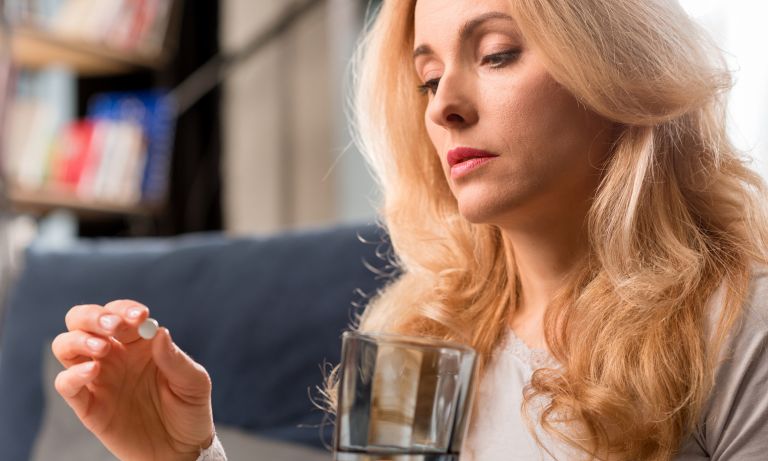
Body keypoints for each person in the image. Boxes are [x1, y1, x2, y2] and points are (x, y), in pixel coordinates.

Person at [52, 0, 768, 459]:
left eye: (495, 54)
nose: (444, 107)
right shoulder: (415, 332)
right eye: (428, 78)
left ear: (621, 67)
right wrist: (185, 456)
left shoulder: (739, 323)